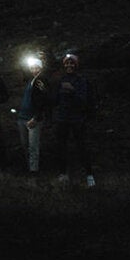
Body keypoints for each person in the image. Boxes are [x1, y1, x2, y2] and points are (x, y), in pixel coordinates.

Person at [52, 53, 95, 187]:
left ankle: (89, 175)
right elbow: (55, 100)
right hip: (62, 118)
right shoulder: (61, 80)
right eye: (67, 63)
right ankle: (63, 173)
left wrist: (73, 91)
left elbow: (84, 101)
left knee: (82, 146)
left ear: (76, 65)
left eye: (72, 63)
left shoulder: (81, 80)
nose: (69, 65)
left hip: (77, 119)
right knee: (61, 146)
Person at [16, 56, 50, 173]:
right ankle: (28, 167)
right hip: (22, 117)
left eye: (37, 67)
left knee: (33, 146)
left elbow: (44, 101)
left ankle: (33, 170)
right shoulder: (30, 81)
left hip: (33, 118)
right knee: (25, 145)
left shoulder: (41, 81)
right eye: (32, 68)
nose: (34, 70)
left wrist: (36, 117)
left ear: (40, 68)